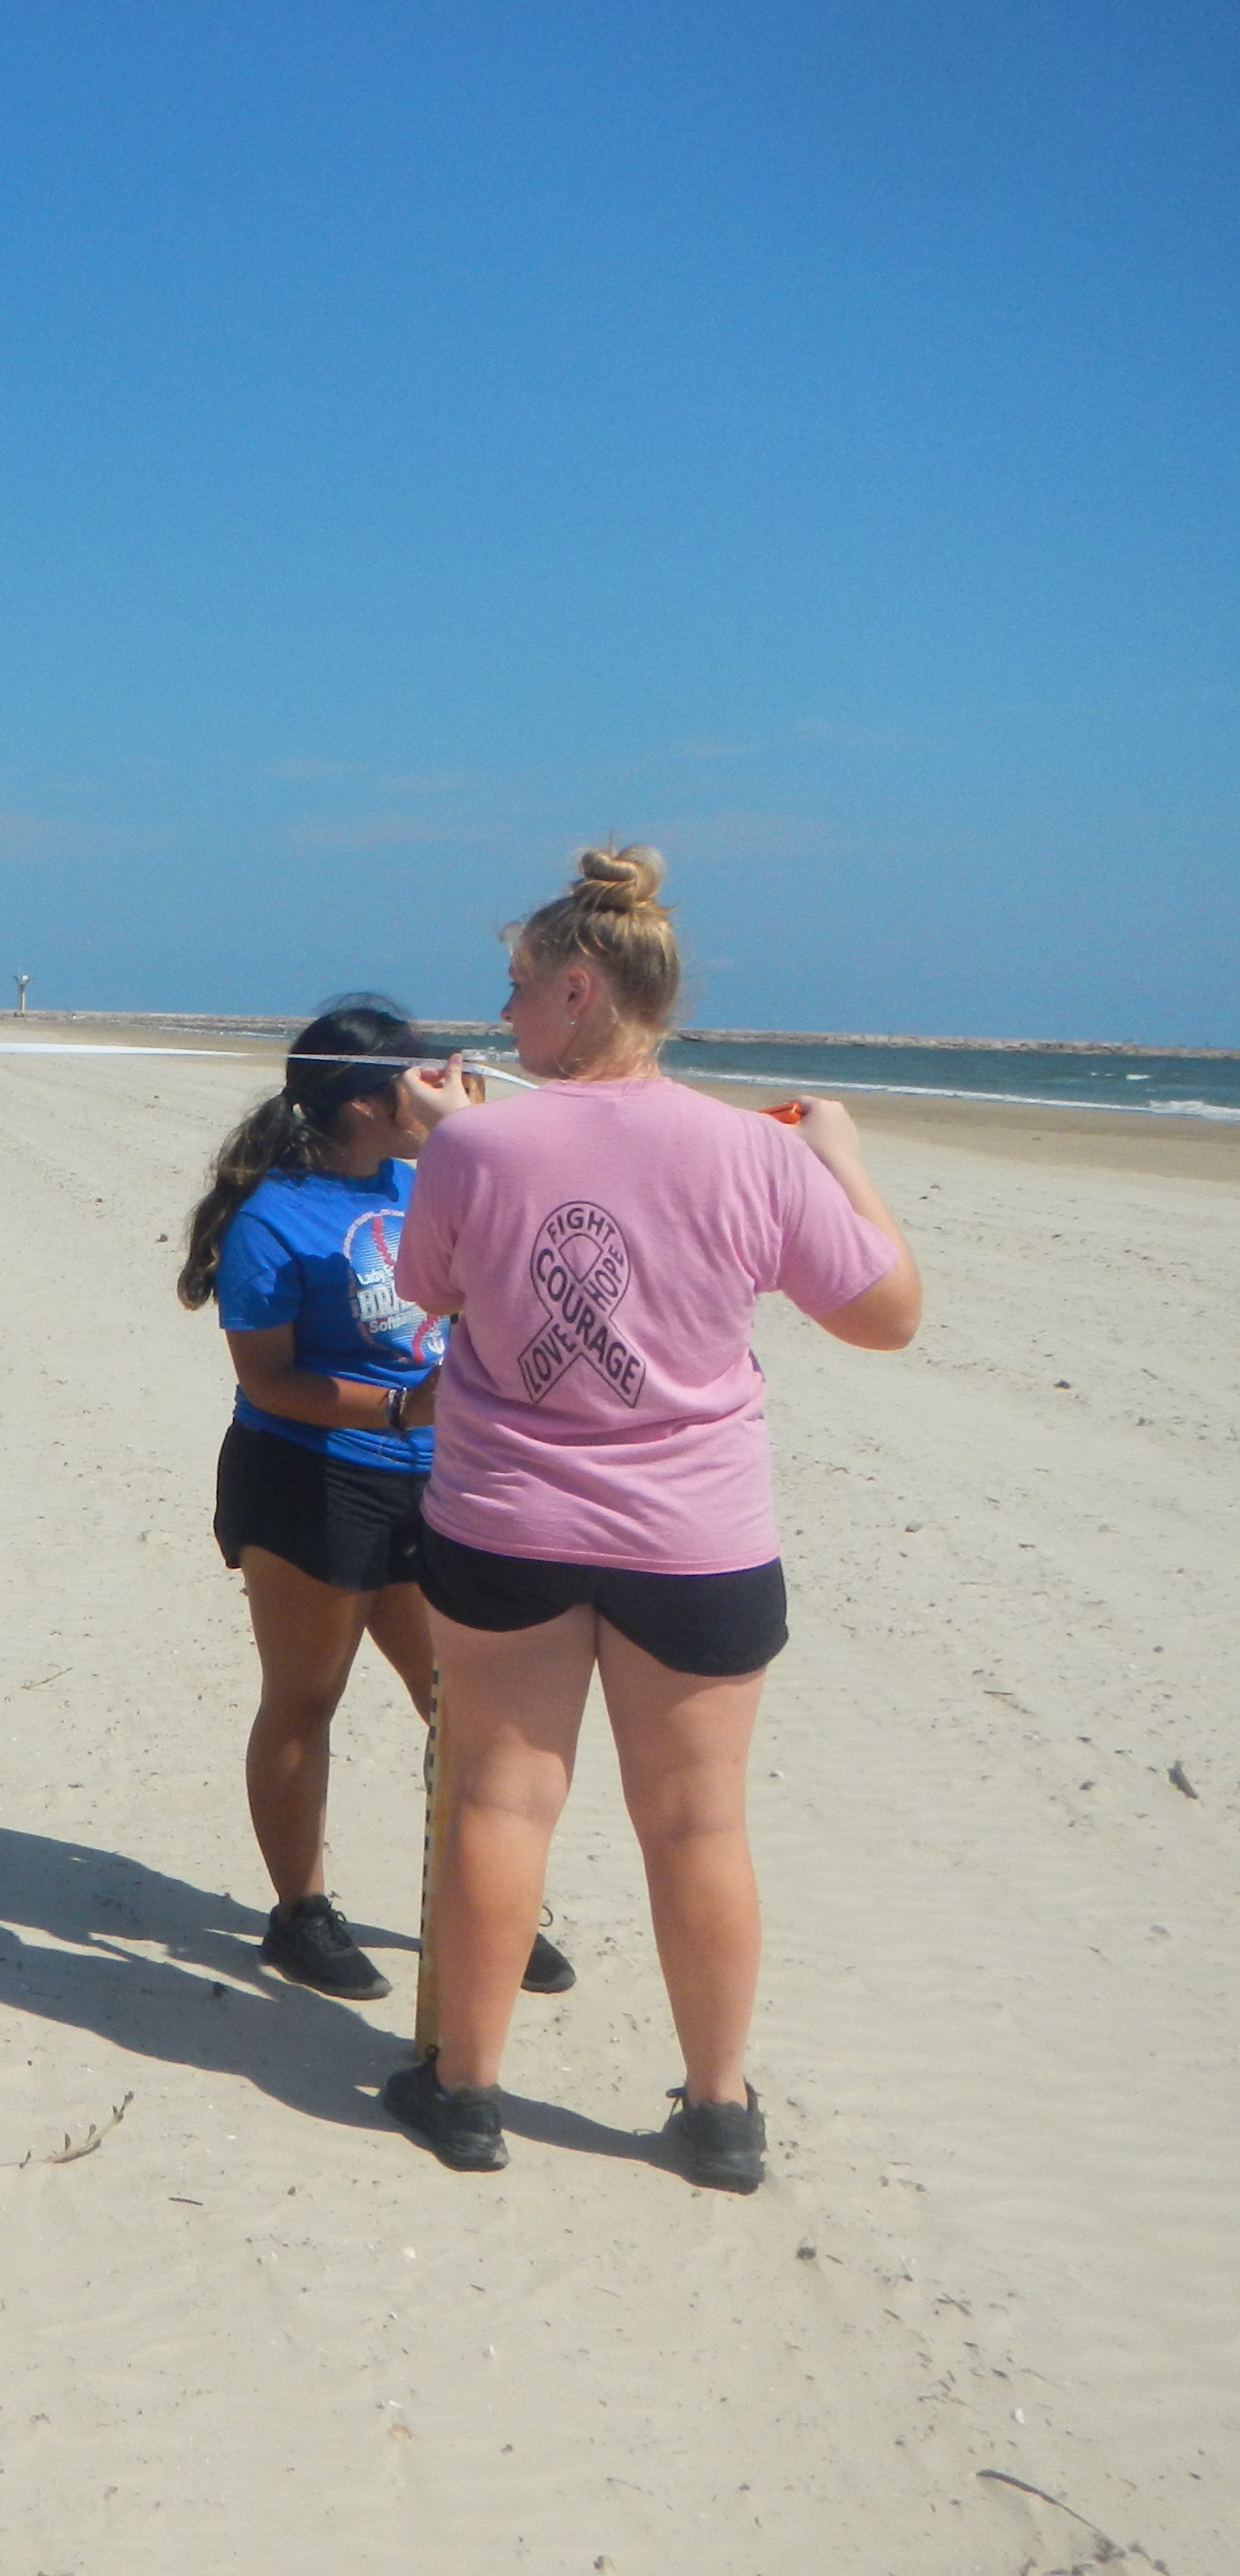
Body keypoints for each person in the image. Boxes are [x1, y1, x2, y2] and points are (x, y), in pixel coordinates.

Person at [381, 847, 918, 2190]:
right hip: (697, 1536)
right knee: (698, 1825)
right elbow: (884, 1316)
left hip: (508, 1518)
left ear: (580, 989)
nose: (502, 1020)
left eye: (517, 993)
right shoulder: (755, 1153)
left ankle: (467, 2093)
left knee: (501, 1800)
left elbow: (430, 1293)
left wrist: (450, 1142)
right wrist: (843, 1164)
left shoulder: (477, 1144)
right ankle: (720, 2112)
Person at [177, 1000, 571, 2004]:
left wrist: (472, 1136)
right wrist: (407, 1402)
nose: (442, 1078)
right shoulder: (274, 1219)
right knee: (308, 1696)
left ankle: (484, 1897)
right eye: (418, 1073)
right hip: (313, 1474)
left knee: (466, 1704)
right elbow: (271, 1381)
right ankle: (299, 1911)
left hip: (439, 1477)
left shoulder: (426, 1175)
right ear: (362, 1102)